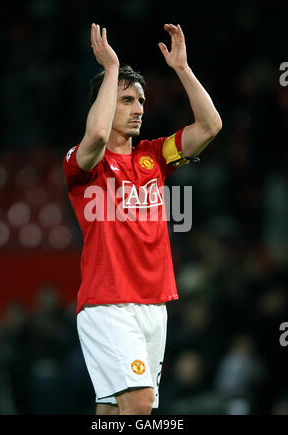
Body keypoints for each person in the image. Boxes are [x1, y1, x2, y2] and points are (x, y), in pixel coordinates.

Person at [63, 22, 222, 415]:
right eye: (127, 100)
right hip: (109, 304)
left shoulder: (155, 156)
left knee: (114, 411)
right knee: (139, 404)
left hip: (154, 306)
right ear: (102, 103)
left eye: (140, 101)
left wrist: (182, 69)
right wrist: (111, 68)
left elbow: (210, 126)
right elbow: (97, 136)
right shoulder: (84, 164)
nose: (139, 109)